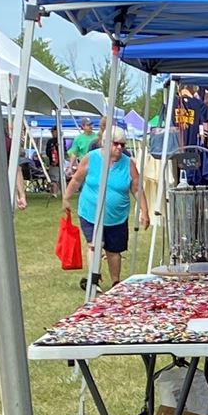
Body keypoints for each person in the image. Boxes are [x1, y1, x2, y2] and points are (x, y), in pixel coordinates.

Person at [62, 121, 135, 291]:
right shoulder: (92, 156)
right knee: (94, 244)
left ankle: (116, 282)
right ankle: (94, 278)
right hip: (90, 211)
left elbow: (136, 186)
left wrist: (144, 211)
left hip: (116, 216)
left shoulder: (127, 161)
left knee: (113, 250)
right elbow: (77, 179)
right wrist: (66, 198)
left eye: (122, 145)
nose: (119, 147)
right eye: (115, 144)